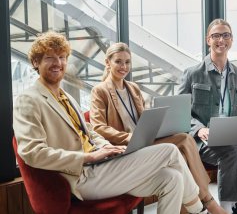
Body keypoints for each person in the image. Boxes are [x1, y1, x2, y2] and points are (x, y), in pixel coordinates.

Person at [13, 31, 208, 214]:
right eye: (50, 58)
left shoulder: (66, 98)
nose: (58, 63)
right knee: (170, 150)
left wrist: (106, 147)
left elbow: (89, 131)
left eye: (62, 57)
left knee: (171, 178)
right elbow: (32, 153)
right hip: (82, 176)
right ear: (36, 62)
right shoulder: (29, 99)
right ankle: (199, 208)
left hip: (102, 166)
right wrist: (89, 157)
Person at [90, 42, 228, 214]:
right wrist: (130, 137)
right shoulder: (100, 90)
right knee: (182, 145)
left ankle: (188, 208)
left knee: (183, 140)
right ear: (107, 62)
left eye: (127, 62)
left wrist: (161, 125)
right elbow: (98, 127)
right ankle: (206, 201)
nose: (123, 67)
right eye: (118, 61)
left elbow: (143, 118)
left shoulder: (133, 88)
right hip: (128, 146)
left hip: (146, 140)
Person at [178, 18, 237, 214]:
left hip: (232, 137)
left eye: (225, 35)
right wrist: (200, 129)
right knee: (233, 153)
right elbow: (180, 112)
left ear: (231, 40)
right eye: (216, 36)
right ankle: (226, 208)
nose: (221, 40)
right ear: (208, 40)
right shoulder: (191, 74)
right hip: (203, 140)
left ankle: (234, 200)